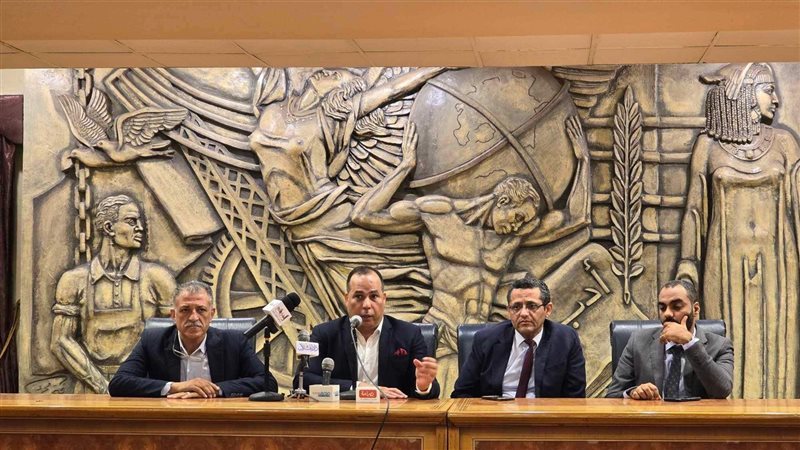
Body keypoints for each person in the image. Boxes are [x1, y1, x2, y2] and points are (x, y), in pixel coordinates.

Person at [352, 118, 591, 393]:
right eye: (517, 217)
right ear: (502, 201)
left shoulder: (512, 238)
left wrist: (583, 161)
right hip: (440, 332)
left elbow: (576, 218)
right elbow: (364, 214)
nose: (519, 226)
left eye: (524, 222)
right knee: (429, 405)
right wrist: (405, 167)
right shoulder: (441, 215)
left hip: (481, 339)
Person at [676, 62, 799, 399]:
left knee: (777, 345)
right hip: (724, 264)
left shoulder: (786, 143)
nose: (776, 99)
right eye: (768, 90)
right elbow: (694, 212)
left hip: (779, 264)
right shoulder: (708, 146)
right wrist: (687, 266)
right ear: (744, 94)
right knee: (724, 342)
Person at [51, 194, 176, 393]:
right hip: (89, 387)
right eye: (131, 221)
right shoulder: (73, 280)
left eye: (140, 222)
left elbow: (173, 337)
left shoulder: (158, 278)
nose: (140, 228)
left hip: (142, 385)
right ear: (109, 228)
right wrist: (103, 387)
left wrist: (137, 382)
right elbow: (61, 341)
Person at [109, 281, 275, 398]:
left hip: (220, 423)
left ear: (212, 314)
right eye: (185, 310)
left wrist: (213, 390)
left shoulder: (234, 342)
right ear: (173, 315)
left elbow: (268, 383)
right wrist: (176, 387)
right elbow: (119, 383)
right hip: (168, 422)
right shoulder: (152, 341)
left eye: (201, 310)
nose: (193, 317)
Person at [299, 266, 440, 399]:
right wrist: (360, 388)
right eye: (359, 297)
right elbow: (303, 380)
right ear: (347, 299)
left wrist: (423, 386)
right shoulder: (325, 334)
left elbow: (432, 388)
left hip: (392, 414)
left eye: (374, 296)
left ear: (384, 299)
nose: (367, 305)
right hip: (341, 414)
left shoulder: (409, 334)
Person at [451, 276, 586, 398]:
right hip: (497, 413)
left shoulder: (566, 340)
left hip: (545, 414)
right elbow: (462, 393)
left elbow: (575, 398)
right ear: (509, 311)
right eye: (516, 307)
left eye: (532, 306)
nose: (523, 313)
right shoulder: (486, 339)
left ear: (547, 309)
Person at [606, 280, 733, 400]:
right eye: (662, 308)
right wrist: (633, 392)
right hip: (653, 415)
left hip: (697, 416)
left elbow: (722, 390)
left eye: (676, 307)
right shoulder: (638, 341)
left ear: (695, 309)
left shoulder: (720, 345)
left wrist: (690, 343)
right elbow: (612, 395)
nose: (667, 313)